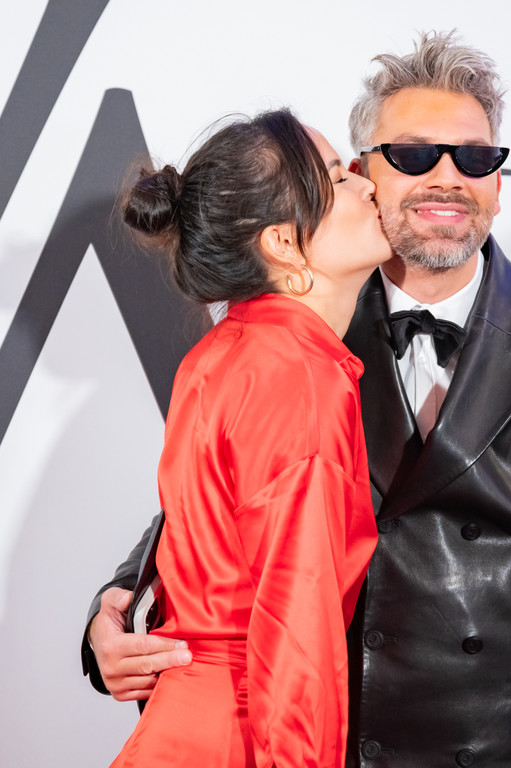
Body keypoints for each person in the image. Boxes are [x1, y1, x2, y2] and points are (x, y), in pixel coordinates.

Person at [84, 32, 511, 767]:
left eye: (475, 158)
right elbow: (212, 509)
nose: (447, 178)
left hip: (502, 750)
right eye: (415, 155)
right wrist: (115, 609)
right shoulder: (299, 338)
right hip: (334, 736)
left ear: (498, 183)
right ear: (365, 175)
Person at [103, 108, 391, 767]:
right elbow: (297, 632)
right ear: (284, 244)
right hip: (245, 736)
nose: (367, 184)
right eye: (336, 177)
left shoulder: (225, 351)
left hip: (188, 727)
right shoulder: (300, 377)